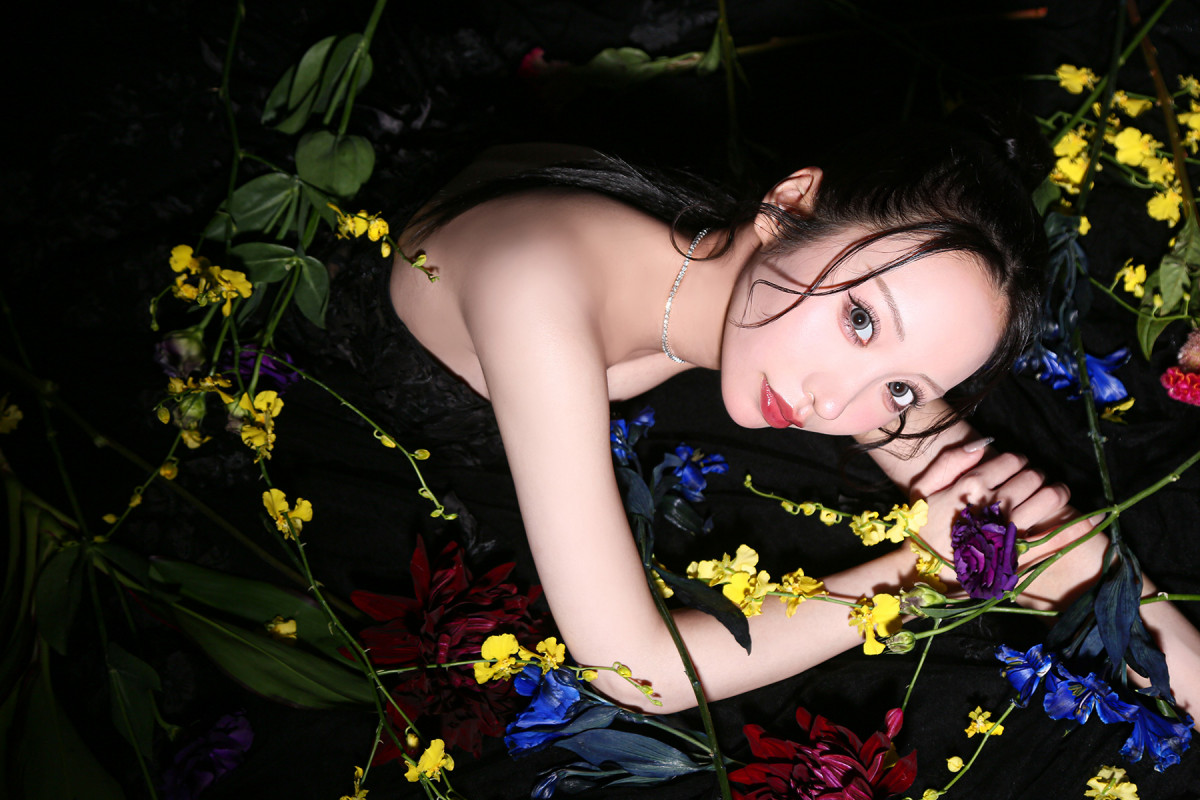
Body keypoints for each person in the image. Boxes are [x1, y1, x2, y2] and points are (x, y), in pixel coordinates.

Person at [382, 117, 1200, 721]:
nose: (834, 404)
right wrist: (920, 572)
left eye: (902, 387)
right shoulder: (535, 293)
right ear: (791, 203)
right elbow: (636, 671)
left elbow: (981, 486)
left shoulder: (755, 292)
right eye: (861, 321)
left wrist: (1175, 646)